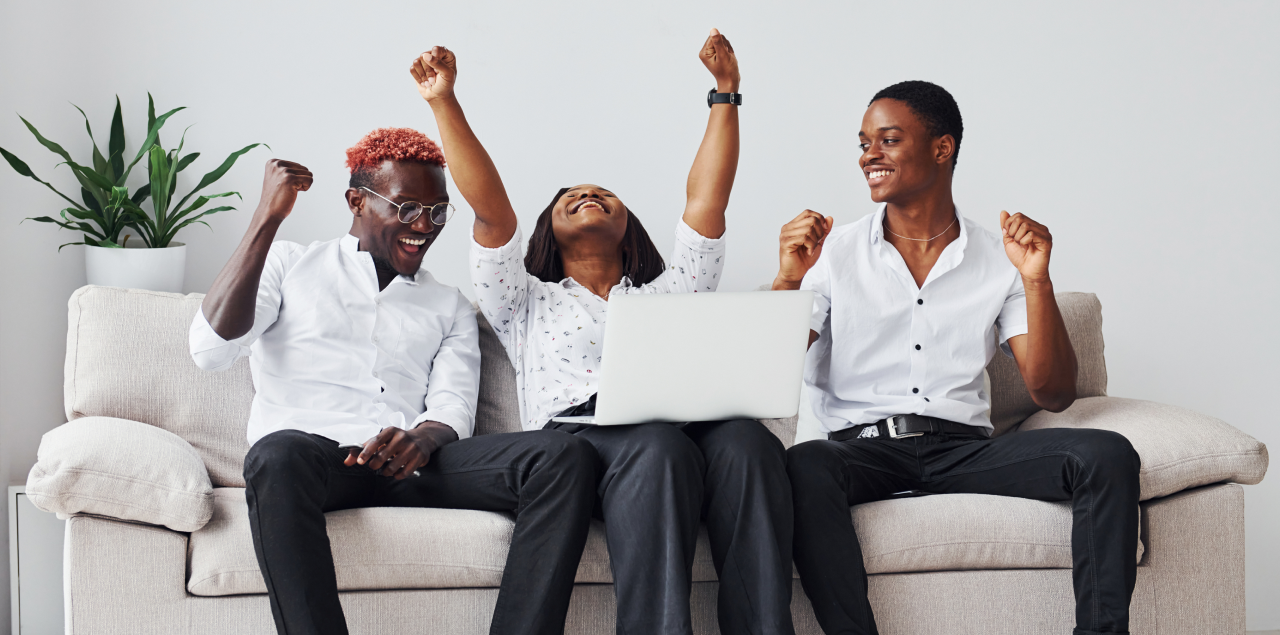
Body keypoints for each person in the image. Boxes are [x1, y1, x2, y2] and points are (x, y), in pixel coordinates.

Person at [411, 30, 795, 635]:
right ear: (546, 230)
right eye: (571, 197)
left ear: (628, 226)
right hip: (581, 453)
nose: (588, 194)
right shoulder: (522, 300)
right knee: (658, 448)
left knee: (751, 442)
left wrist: (726, 93)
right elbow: (491, 212)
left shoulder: (672, 292)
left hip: (678, 438)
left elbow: (707, 199)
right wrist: (444, 102)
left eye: (603, 195)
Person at [188, 129, 599, 635]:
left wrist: (422, 440)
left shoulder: (447, 303)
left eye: (438, 211)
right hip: (318, 464)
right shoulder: (289, 265)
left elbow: (452, 406)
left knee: (563, 455)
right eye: (406, 208)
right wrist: (266, 219)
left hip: (414, 465)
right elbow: (210, 350)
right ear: (356, 202)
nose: (423, 226)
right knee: (275, 455)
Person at [774, 81, 1140, 635]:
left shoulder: (1000, 259)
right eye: (864, 143)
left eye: (888, 140)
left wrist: (1036, 278)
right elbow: (768, 374)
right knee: (804, 464)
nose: (868, 155)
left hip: (963, 451)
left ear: (942, 149)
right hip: (861, 453)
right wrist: (788, 278)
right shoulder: (833, 254)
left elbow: (1054, 393)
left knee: (1106, 453)